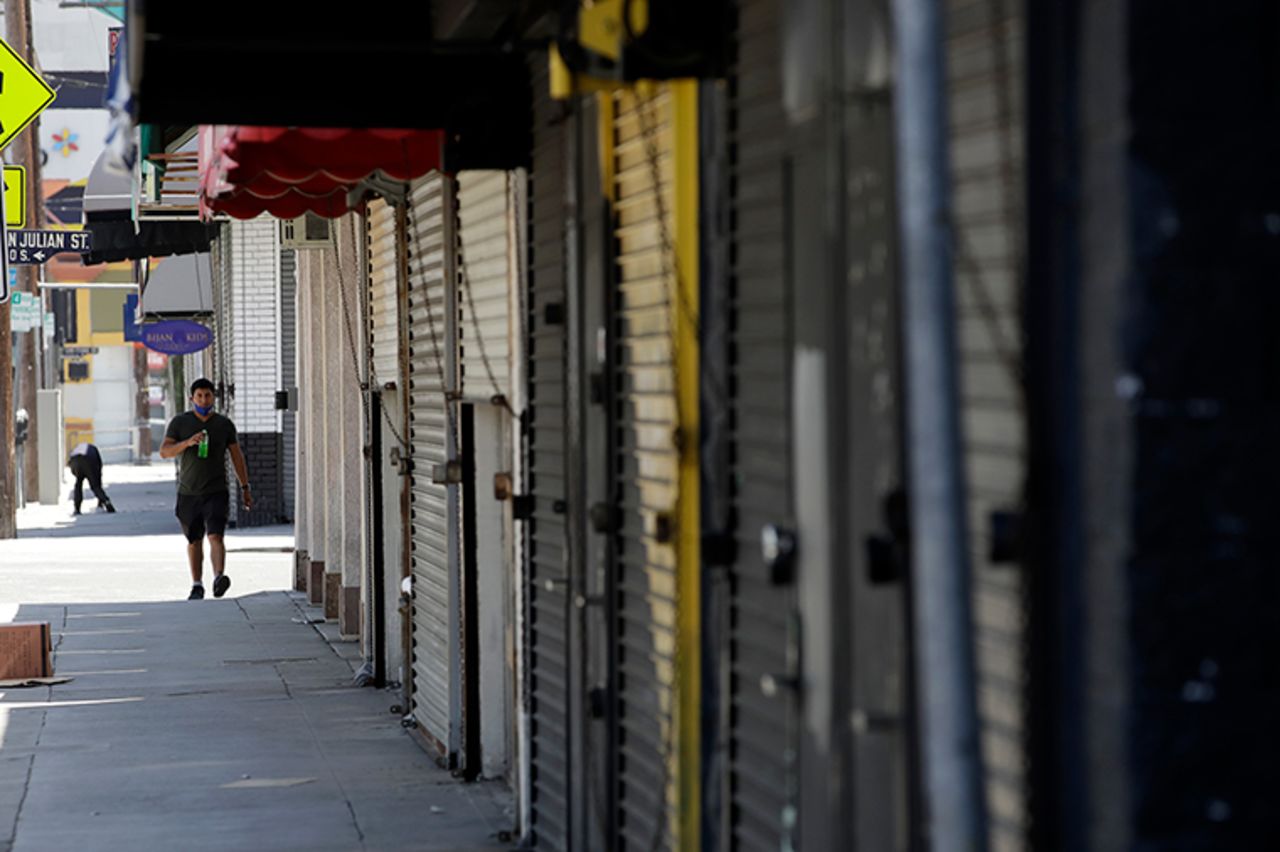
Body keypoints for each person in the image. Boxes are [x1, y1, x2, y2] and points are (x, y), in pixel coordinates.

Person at [159, 379, 253, 601]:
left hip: (216, 490)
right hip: (188, 492)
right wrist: (187, 443)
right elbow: (165, 451)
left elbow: (237, 457)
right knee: (194, 540)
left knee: (216, 535)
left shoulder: (224, 425)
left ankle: (219, 577)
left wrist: (245, 487)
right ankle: (197, 584)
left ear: (214, 398)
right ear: (192, 398)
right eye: (199, 396)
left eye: (208, 396)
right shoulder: (180, 423)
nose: (204, 400)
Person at [66, 442, 115, 515]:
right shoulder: (93, 450)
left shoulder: (77, 449)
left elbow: (70, 464)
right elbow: (98, 473)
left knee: (78, 484)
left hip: (75, 461)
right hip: (89, 460)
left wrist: (78, 473)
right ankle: (107, 502)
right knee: (95, 486)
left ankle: (77, 508)